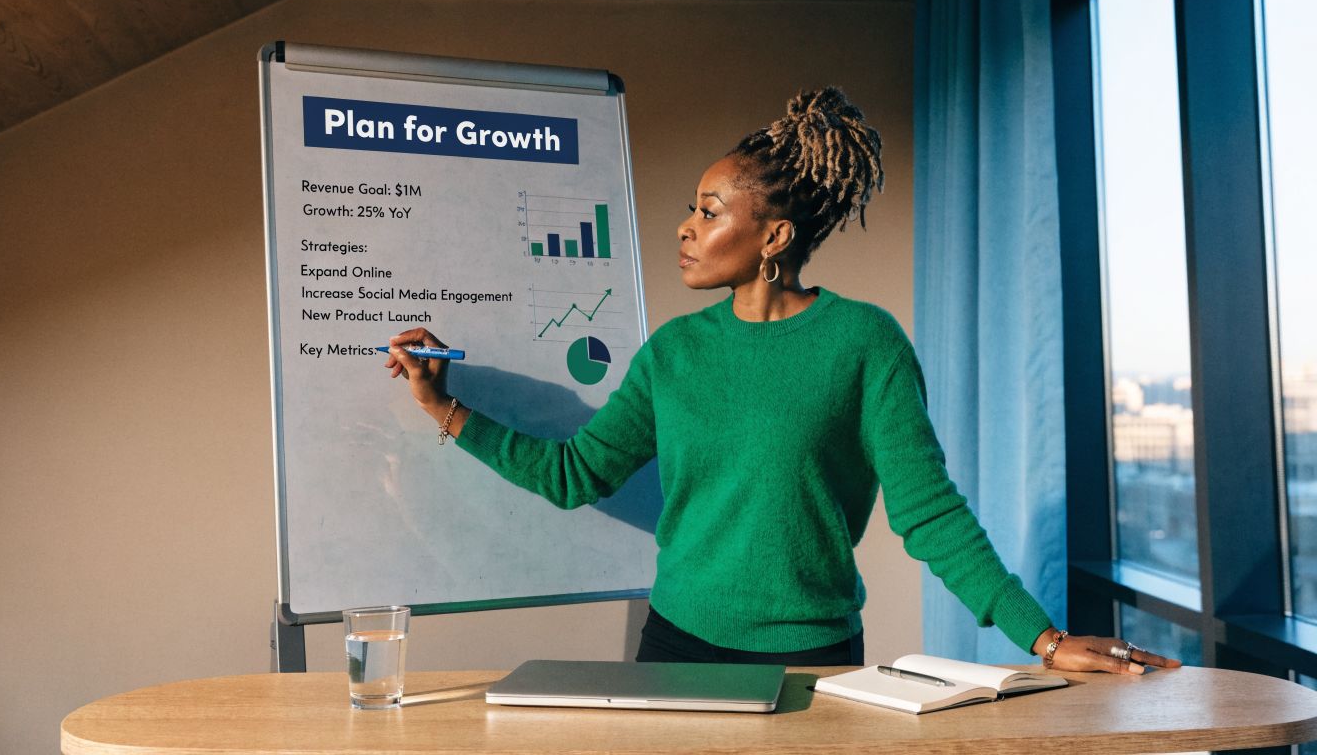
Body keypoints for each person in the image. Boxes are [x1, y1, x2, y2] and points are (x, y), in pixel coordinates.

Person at [384, 86, 1181, 674]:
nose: (685, 230)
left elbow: (930, 515)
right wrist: (443, 406)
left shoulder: (865, 344)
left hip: (813, 662)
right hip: (673, 647)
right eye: (691, 211)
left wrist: (1039, 637)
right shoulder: (673, 353)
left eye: (708, 212)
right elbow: (574, 474)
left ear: (774, 235)